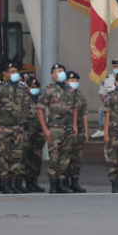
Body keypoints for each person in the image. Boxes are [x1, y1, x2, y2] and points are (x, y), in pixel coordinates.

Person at [37, 63, 78, 194]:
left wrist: (75, 124)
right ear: (53, 75)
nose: (61, 73)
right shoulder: (49, 89)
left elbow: (75, 107)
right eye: (58, 71)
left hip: (68, 128)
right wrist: (45, 129)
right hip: (54, 128)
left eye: (62, 70)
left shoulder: (70, 89)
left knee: (66, 157)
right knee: (55, 157)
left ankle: (62, 183)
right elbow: (40, 109)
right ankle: (53, 184)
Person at [0, 62, 30, 194]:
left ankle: (15, 182)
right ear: (7, 74)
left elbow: (25, 107)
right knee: (5, 155)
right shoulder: (1, 88)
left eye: (16, 71)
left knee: (17, 155)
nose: (14, 74)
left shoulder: (22, 88)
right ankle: (6, 182)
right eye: (12, 71)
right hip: (5, 127)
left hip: (18, 127)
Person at [95, 58, 118, 138]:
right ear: (112, 68)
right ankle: (102, 131)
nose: (117, 69)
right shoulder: (106, 80)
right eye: (115, 67)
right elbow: (102, 94)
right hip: (111, 108)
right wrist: (110, 100)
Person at [66, 71, 89, 193]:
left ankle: (74, 181)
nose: (74, 83)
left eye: (76, 80)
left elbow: (85, 114)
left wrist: (86, 131)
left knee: (77, 158)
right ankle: (63, 182)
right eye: (71, 80)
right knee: (65, 157)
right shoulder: (63, 95)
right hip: (66, 131)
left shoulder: (81, 97)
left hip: (79, 131)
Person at [22, 78, 45, 192]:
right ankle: (27, 182)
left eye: (36, 87)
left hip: (39, 132)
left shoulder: (42, 100)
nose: (34, 89)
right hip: (27, 131)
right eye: (32, 87)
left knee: (37, 157)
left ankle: (34, 181)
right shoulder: (24, 99)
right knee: (26, 157)